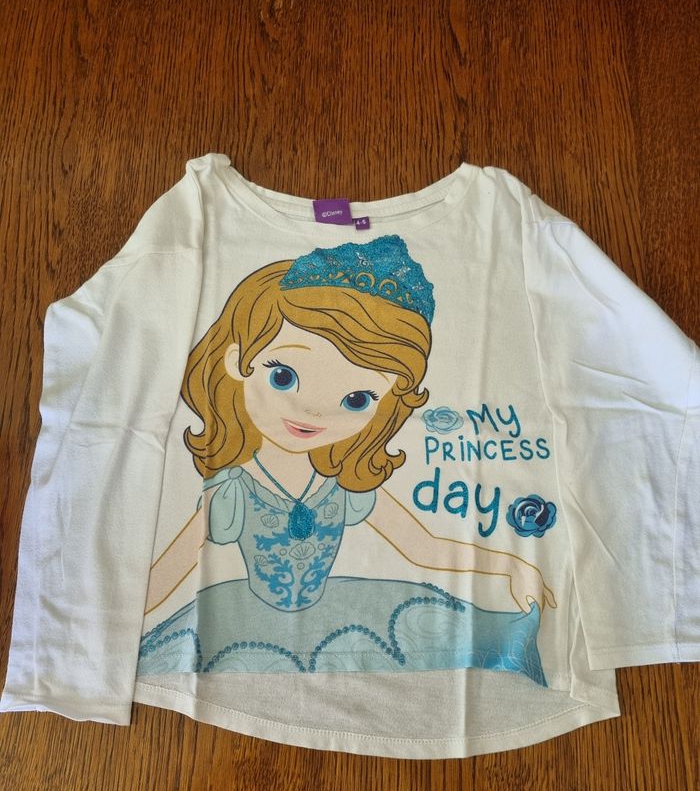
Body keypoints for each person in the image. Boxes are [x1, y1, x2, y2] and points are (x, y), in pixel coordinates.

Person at [138, 236, 555, 681]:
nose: (313, 412)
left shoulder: (343, 486)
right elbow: (168, 572)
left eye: (357, 399)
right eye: (284, 377)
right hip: (244, 625)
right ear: (238, 361)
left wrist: (510, 565)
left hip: (345, 613)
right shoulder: (230, 491)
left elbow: (424, 547)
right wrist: (108, 622)